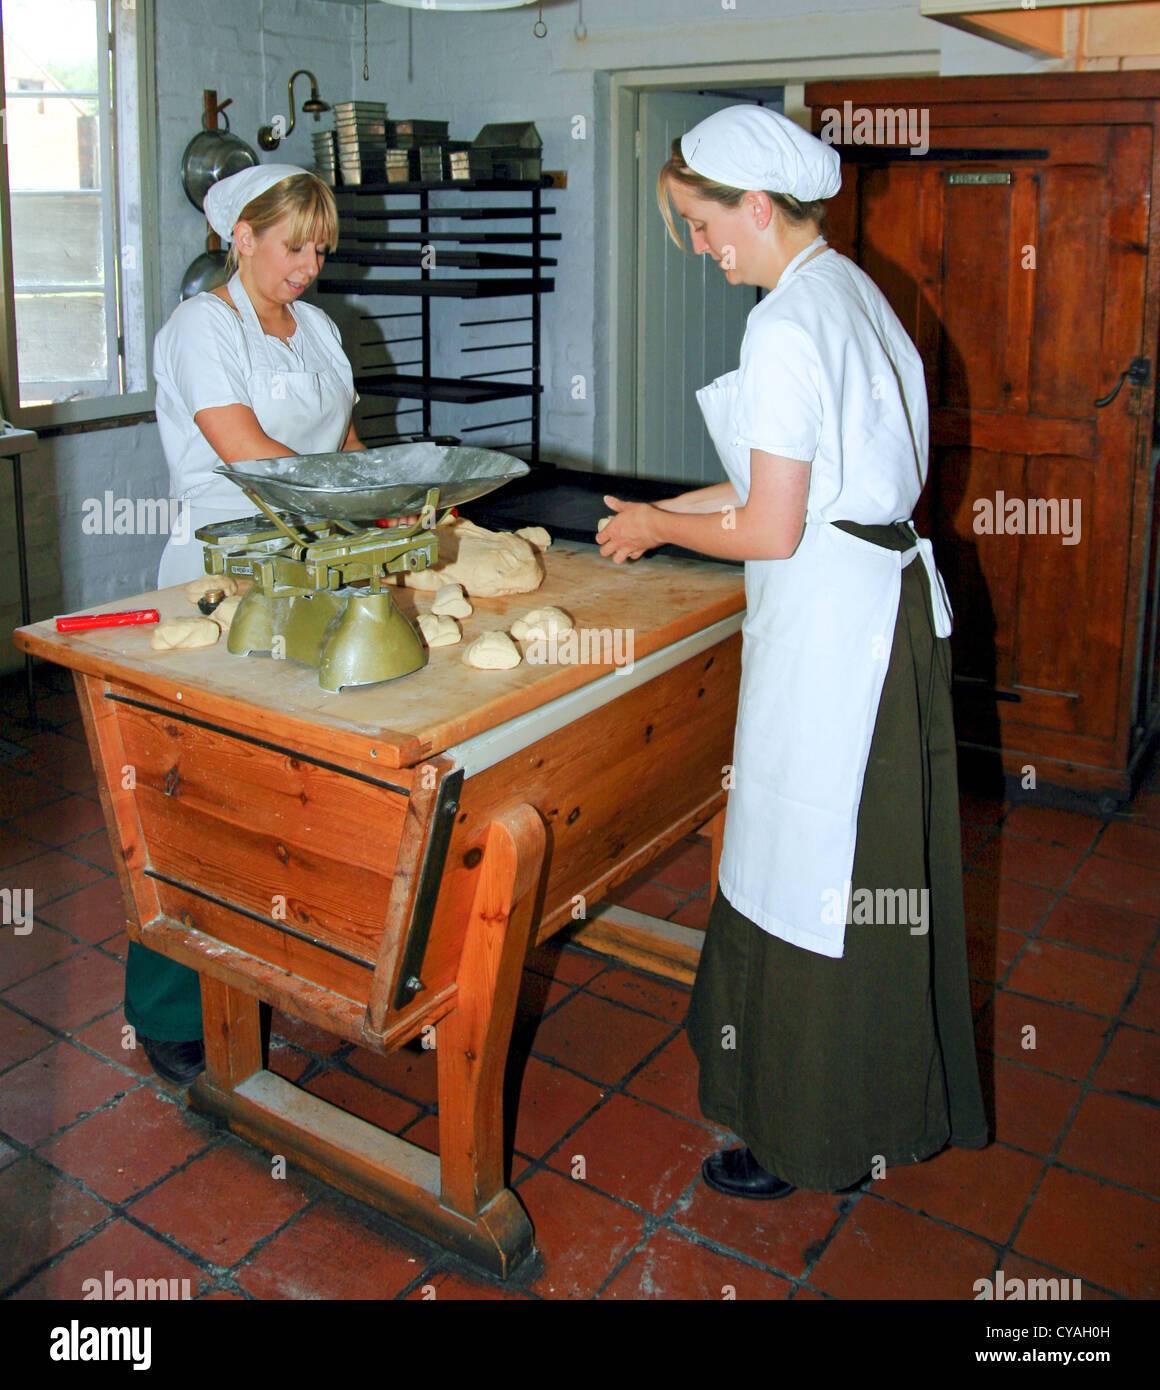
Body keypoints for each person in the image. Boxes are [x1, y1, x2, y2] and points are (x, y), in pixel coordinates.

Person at [598, 105, 988, 1198]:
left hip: (838, 639)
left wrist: (668, 528)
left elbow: (769, 525)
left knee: (822, 873)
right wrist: (661, 510)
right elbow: (791, 481)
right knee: (849, 870)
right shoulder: (846, 291)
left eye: (700, 223)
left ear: (755, 207)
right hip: (880, 614)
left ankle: (817, 1128)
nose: (697, 246)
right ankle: (847, 1100)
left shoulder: (781, 326)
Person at [133, 165, 361, 1084]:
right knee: (204, 793)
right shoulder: (201, 328)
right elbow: (247, 453)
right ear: (240, 236)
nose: (308, 267)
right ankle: (170, 1009)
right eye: (291, 247)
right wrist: (359, 509)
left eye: (318, 249)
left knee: (289, 786)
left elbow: (345, 438)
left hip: (312, 567)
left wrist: (400, 504)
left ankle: (269, 965)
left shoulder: (318, 328)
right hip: (221, 576)